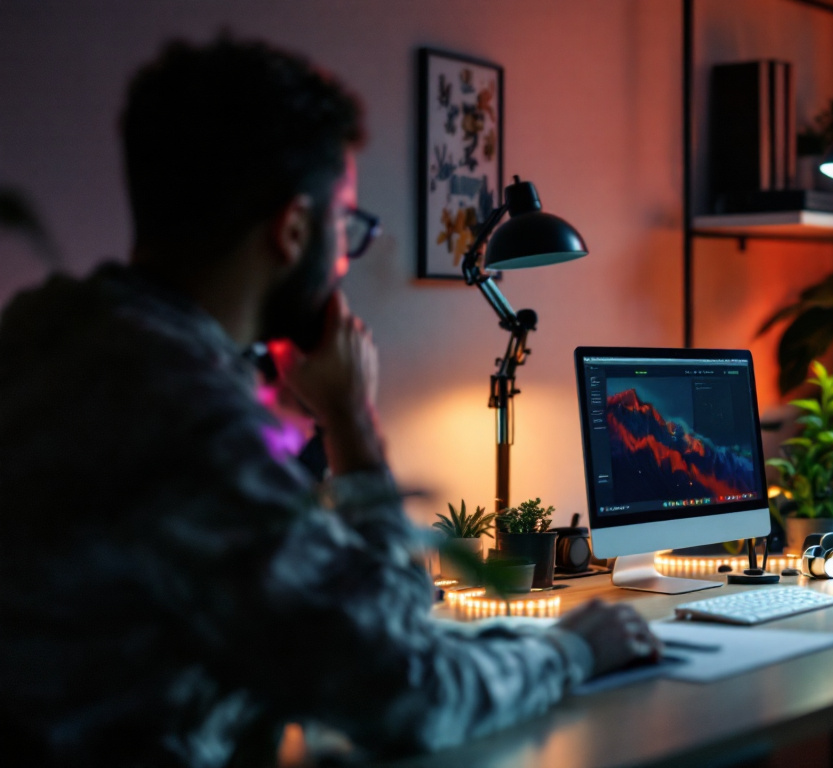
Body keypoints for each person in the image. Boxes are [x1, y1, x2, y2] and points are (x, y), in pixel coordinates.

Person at [0, 35, 658, 767]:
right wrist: (570, 652)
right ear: (291, 230)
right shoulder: (183, 414)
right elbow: (402, 686)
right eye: (345, 225)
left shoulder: (41, 336)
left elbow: (358, 625)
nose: (346, 256)